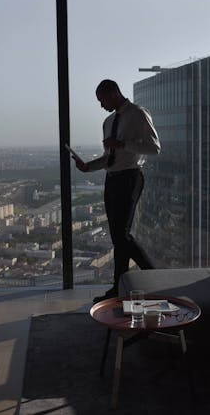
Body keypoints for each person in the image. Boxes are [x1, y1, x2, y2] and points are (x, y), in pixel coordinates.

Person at [73, 79, 161, 303]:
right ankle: (119, 289)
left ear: (113, 93)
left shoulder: (138, 114)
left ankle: (156, 275)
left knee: (121, 235)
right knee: (117, 238)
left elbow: (154, 147)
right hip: (111, 179)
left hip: (130, 178)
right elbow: (109, 158)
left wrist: (123, 144)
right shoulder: (108, 121)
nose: (101, 105)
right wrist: (87, 167)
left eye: (102, 100)